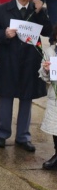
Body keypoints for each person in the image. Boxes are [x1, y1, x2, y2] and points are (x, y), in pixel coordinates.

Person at [0, 0, 51, 152]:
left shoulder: (37, 9)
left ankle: (23, 136)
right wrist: (4, 34)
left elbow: (47, 31)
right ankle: (1, 133)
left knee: (26, 98)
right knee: (6, 96)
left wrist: (41, 11)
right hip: (9, 58)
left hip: (30, 60)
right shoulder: (2, 10)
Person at [39, 42, 57, 170]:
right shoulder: (50, 51)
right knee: (55, 127)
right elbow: (45, 77)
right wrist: (45, 69)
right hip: (55, 95)